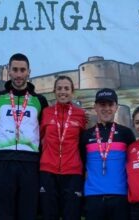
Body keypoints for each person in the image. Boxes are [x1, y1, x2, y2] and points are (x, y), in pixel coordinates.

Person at [0, 53, 48, 220]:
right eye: (15, 70)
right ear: (9, 72)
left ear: (28, 72)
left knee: (27, 214)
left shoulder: (39, 100)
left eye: (22, 70)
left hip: (30, 163)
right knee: (2, 214)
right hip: (2, 162)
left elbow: (47, 129)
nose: (18, 74)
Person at [80, 88, 135, 220]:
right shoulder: (85, 135)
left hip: (120, 198)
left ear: (116, 107)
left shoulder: (126, 133)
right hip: (93, 198)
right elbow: (81, 166)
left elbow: (133, 165)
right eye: (102, 105)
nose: (106, 108)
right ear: (95, 107)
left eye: (110, 105)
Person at [39, 76, 87, 220]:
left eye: (66, 88)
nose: (63, 92)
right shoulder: (46, 112)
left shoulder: (81, 114)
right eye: (59, 88)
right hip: (48, 171)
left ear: (72, 92)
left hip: (73, 172)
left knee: (71, 216)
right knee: (49, 215)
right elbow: (39, 137)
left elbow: (84, 142)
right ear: (54, 91)